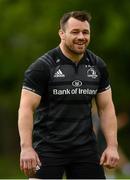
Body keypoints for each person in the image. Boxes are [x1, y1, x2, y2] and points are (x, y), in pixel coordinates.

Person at [18, 10, 119, 179]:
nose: (81, 37)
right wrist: (26, 148)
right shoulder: (42, 67)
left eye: (85, 32)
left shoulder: (98, 66)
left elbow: (106, 108)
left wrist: (112, 146)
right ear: (62, 34)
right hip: (49, 147)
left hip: (85, 148)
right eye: (75, 32)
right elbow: (26, 108)